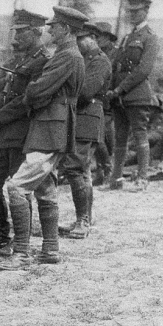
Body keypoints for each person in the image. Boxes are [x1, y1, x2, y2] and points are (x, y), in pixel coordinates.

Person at [0, 6, 85, 270]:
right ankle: (50, 250)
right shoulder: (69, 54)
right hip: (51, 126)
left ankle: (21, 252)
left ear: (66, 29)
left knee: (17, 187)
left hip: (49, 127)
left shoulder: (66, 56)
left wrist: (36, 92)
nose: (49, 30)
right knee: (45, 190)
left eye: (54, 26)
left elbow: (36, 90)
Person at [0, 9, 50, 256]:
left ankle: (21, 243)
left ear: (36, 32)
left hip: (23, 132)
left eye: (21, 32)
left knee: (19, 188)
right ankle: (1, 236)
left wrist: (2, 114)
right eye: (15, 31)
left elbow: (30, 98)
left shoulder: (43, 62)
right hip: (5, 133)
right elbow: (5, 92)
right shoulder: (20, 60)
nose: (16, 37)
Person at [58, 22, 111, 239]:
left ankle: (83, 220)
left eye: (81, 39)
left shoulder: (100, 62)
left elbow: (87, 91)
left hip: (87, 117)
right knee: (83, 171)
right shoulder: (85, 60)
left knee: (74, 168)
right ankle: (84, 219)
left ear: (92, 38)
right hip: (79, 117)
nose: (77, 44)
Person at [106, 0, 160, 192]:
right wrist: (111, 89)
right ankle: (116, 179)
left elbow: (143, 70)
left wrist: (120, 89)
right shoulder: (127, 37)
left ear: (146, 12)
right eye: (130, 12)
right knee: (120, 136)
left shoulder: (149, 36)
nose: (132, 15)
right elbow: (116, 65)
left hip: (137, 94)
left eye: (136, 12)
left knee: (139, 134)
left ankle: (142, 178)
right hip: (119, 95)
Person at [91, 22, 117, 186]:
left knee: (102, 139)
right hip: (99, 100)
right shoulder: (96, 54)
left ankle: (107, 169)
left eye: (98, 36)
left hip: (110, 101)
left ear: (108, 38)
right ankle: (102, 170)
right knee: (97, 138)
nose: (96, 40)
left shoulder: (115, 54)